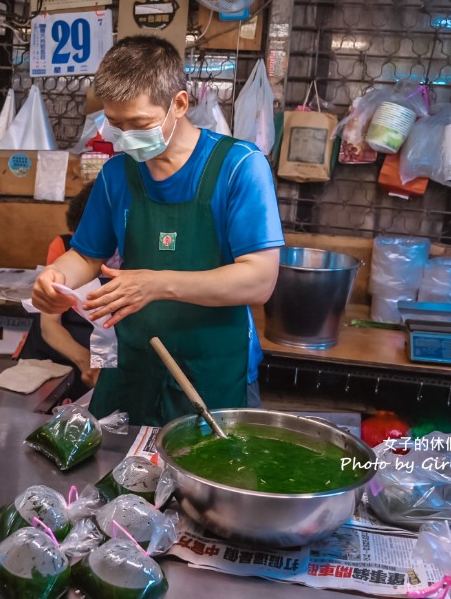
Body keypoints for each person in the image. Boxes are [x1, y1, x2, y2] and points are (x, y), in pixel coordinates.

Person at [32, 35, 284, 426]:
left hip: (215, 370)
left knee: (204, 479)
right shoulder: (117, 174)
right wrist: (56, 278)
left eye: (139, 124)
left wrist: (156, 283)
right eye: (116, 124)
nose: (126, 136)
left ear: (179, 104)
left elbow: (259, 280)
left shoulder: (239, 167)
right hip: (132, 364)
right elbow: (86, 254)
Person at [20, 182, 97, 392]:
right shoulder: (63, 247)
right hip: (56, 361)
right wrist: (86, 362)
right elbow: (49, 325)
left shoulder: (129, 256)